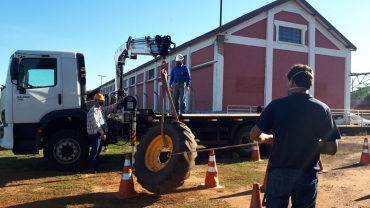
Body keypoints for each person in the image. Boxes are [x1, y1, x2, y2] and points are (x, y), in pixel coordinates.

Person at [250, 64, 340, 207]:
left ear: (291, 81)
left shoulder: (275, 106)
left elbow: (254, 135)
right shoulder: (322, 109)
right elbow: (331, 149)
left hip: (278, 173)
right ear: (309, 83)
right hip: (307, 174)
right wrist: (309, 145)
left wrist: (267, 138)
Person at [86, 93, 122, 173]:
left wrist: (117, 103)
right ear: (96, 101)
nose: (102, 102)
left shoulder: (100, 109)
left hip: (99, 133)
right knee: (95, 150)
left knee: (98, 150)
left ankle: (96, 167)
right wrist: (102, 133)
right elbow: (95, 124)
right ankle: (91, 168)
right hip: (95, 134)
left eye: (102, 101)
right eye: (100, 101)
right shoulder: (93, 111)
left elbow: (108, 108)